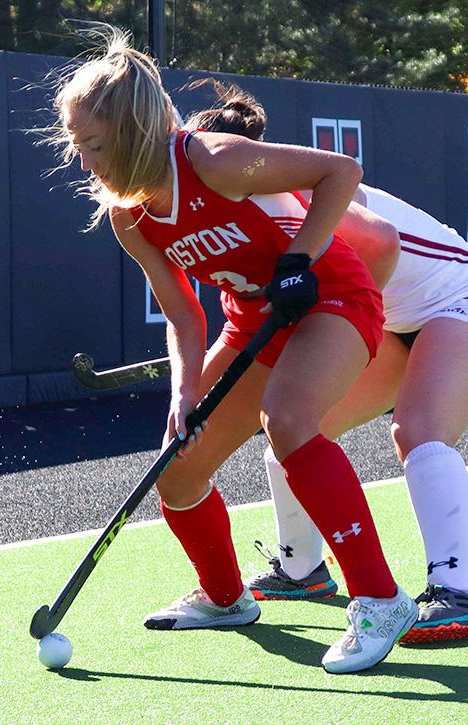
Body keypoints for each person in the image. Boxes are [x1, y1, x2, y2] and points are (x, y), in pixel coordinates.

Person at [50, 27, 418, 674]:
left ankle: (380, 597)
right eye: (77, 146)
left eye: (94, 146)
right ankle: (225, 597)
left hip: (330, 298)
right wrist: (183, 393)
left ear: (134, 131)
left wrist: (299, 259)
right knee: (180, 467)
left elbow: (340, 172)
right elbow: (183, 316)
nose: (85, 163)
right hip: (253, 323)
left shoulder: (215, 160)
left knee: (290, 420)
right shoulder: (128, 215)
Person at [184, 80, 468, 643]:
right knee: (293, 426)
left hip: (459, 302)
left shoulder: (300, 200)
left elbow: (377, 254)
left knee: (418, 431)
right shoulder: (240, 221)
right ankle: (301, 570)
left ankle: (455, 593)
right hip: (388, 320)